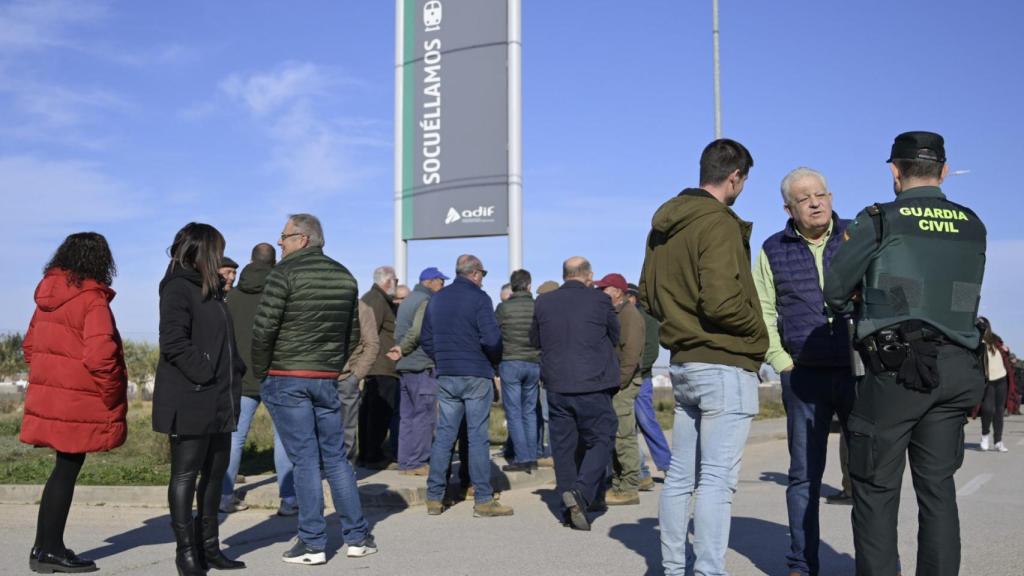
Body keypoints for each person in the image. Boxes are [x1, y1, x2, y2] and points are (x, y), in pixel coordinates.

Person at [824, 131, 987, 576]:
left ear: (894, 172)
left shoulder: (879, 220)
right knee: (938, 490)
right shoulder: (972, 223)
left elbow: (835, 291)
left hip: (897, 372)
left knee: (875, 489)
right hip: (956, 368)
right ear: (944, 171)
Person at [639, 138, 768, 576]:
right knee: (715, 481)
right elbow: (721, 303)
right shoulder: (718, 223)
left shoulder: (664, 225)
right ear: (735, 177)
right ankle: (709, 572)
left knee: (680, 477)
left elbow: (649, 295)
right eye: (744, 181)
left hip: (684, 361)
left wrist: (682, 323)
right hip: (724, 361)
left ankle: (674, 569)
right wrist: (760, 333)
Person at [251, 214, 376, 565]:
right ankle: (357, 537)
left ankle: (312, 542)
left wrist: (262, 371)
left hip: (287, 375)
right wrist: (334, 367)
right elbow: (351, 333)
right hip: (326, 379)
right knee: (335, 457)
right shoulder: (345, 276)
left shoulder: (283, 274)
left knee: (305, 460)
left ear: (303, 239)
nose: (280, 242)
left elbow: (263, 329)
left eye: (284, 236)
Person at [753, 167, 856, 576]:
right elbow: (762, 309)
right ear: (788, 208)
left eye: (821, 194)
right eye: (804, 198)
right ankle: (801, 562)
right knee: (803, 478)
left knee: (867, 474)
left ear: (831, 197)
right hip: (803, 376)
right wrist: (781, 362)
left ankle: (881, 561)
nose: (815, 203)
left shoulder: (856, 236)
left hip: (857, 371)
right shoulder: (772, 248)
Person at [21, 232, 128, 574]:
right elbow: (100, 357)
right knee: (66, 470)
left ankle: (46, 544)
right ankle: (47, 550)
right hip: (79, 402)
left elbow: (29, 347)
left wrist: (53, 379)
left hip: (54, 397)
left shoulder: (46, 296)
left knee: (63, 469)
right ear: (100, 260)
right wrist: (111, 395)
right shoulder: (92, 299)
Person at [153, 223, 246, 575]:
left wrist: (236, 369)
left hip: (221, 398)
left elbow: (222, 342)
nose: (221, 256)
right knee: (185, 476)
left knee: (214, 474)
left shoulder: (212, 290)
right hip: (192, 397)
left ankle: (210, 547)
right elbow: (174, 342)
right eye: (217, 249)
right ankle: (186, 552)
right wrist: (208, 373)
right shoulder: (178, 287)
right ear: (203, 250)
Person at [530, 257, 620, 531]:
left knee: (564, 447)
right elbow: (614, 335)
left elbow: (535, 340)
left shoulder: (544, 302)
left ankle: (567, 506)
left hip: (556, 385)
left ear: (565, 274)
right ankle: (581, 493)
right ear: (588, 275)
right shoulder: (599, 301)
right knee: (602, 438)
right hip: (591, 383)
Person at [421, 255, 511, 517]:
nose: (483, 278)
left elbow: (426, 338)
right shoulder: (480, 298)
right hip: (475, 373)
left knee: (445, 435)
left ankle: (434, 497)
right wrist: (492, 362)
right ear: (474, 273)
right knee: (477, 437)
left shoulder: (437, 298)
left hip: (448, 373)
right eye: (482, 273)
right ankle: (483, 499)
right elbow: (492, 339)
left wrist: (442, 358)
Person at [220, 243, 296, 517]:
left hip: (240, 376)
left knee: (234, 438)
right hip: (277, 375)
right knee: (285, 439)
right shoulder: (280, 294)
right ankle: (289, 500)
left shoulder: (233, 297)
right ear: (274, 263)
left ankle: (224, 496)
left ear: (250, 261)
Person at [594, 273, 645, 506]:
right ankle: (618, 483)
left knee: (624, 436)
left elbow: (631, 355)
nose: (601, 292)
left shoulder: (630, 316)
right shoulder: (616, 313)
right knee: (615, 435)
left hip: (622, 383)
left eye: (604, 288)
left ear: (617, 291)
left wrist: (619, 381)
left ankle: (629, 487)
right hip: (614, 382)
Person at [391, 267, 447, 475]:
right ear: (430, 282)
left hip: (405, 366)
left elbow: (400, 332)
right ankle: (419, 462)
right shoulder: (426, 301)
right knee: (424, 416)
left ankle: (405, 461)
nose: (443, 286)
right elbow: (417, 333)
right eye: (441, 281)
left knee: (407, 417)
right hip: (421, 365)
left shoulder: (407, 300)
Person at [496, 269, 541, 473]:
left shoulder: (503, 308)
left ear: (512, 286)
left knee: (514, 412)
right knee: (530, 412)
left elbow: (493, 335)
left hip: (510, 362)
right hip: (534, 363)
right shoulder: (538, 307)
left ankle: (522, 458)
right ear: (529, 285)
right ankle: (532, 456)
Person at [625, 283, 670, 487]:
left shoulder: (648, 318)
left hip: (641, 378)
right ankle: (641, 472)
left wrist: (637, 371)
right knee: (627, 427)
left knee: (646, 422)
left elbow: (652, 351)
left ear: (633, 298)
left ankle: (668, 465)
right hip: (625, 378)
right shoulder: (625, 316)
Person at [359, 266, 400, 468]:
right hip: (380, 366)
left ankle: (368, 453)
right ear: (388, 281)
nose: (398, 284)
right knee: (378, 414)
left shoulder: (375, 298)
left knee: (371, 412)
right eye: (396, 280)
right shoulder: (376, 300)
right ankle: (372, 455)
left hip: (377, 366)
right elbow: (368, 334)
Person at [338, 300, 380, 463]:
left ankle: (345, 477)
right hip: (317, 377)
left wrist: (356, 374)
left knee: (346, 432)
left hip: (346, 377)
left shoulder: (362, 308)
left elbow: (372, 344)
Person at [977, 317, 1011, 452]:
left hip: (1001, 378)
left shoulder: (995, 338)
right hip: (989, 380)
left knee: (999, 411)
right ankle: (985, 435)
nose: (981, 326)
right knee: (987, 409)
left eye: (983, 324)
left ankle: (998, 441)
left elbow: (1004, 352)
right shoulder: (976, 340)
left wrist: (1006, 350)